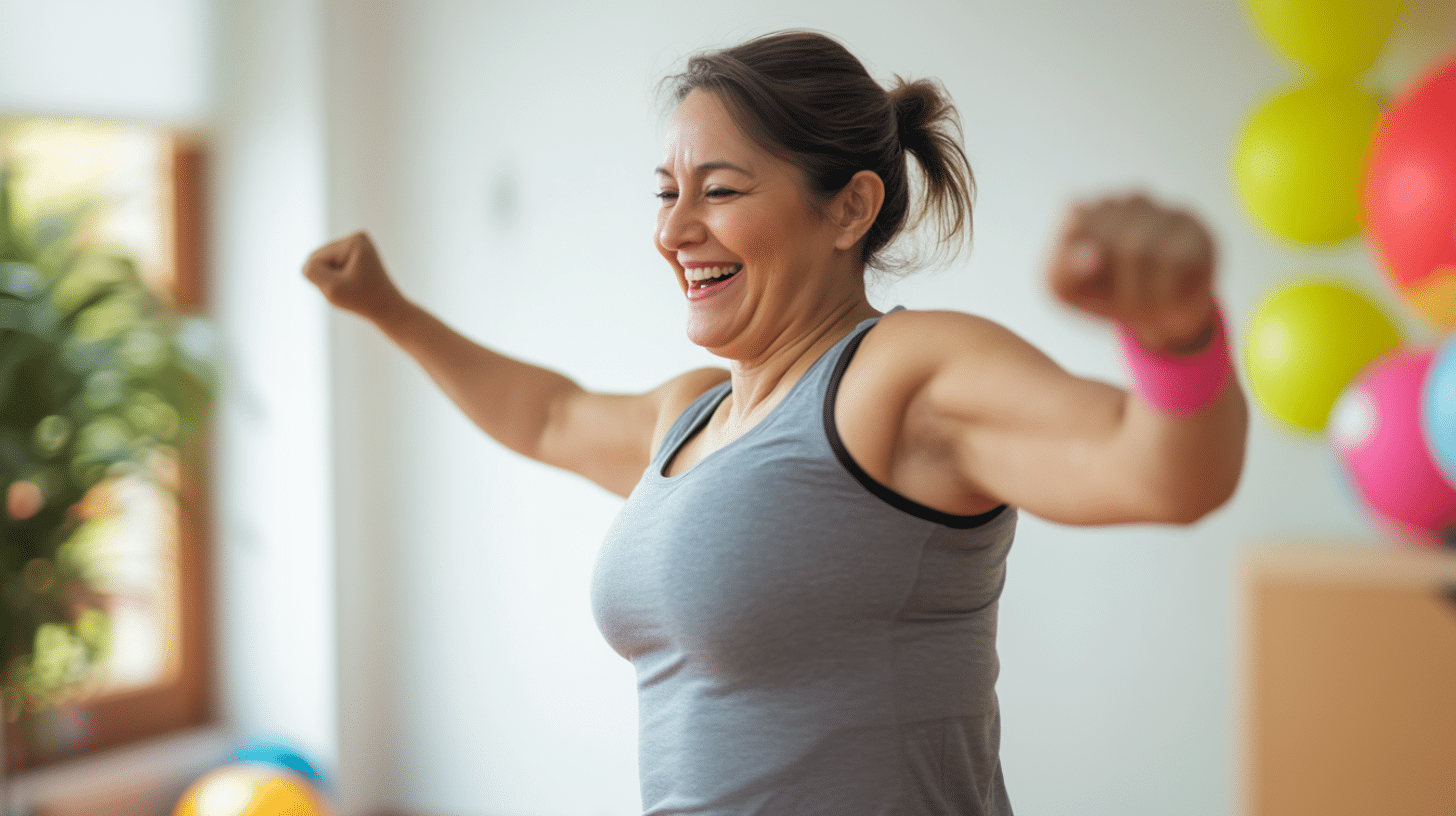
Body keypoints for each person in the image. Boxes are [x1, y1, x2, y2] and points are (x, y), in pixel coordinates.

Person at [304, 29, 1246, 816]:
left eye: (718, 190)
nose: (675, 232)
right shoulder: (691, 416)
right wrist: (392, 310)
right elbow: (549, 418)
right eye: (666, 192)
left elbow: (1161, 474)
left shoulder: (896, 381)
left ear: (850, 209)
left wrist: (1176, 337)